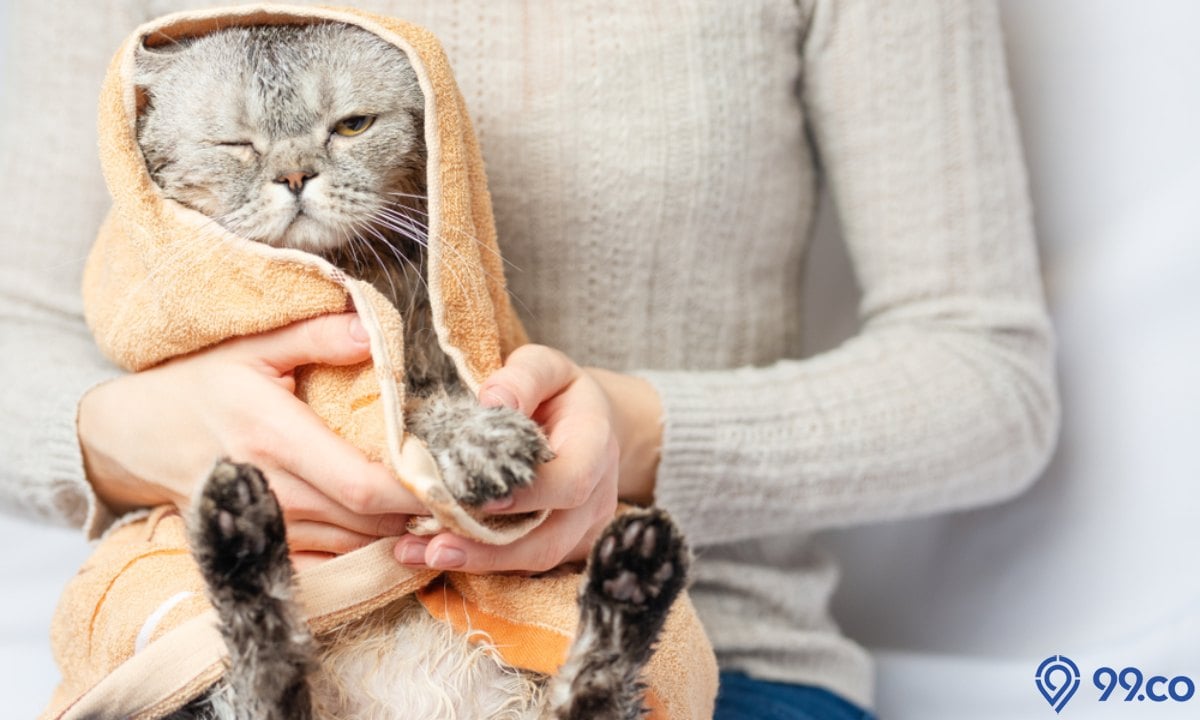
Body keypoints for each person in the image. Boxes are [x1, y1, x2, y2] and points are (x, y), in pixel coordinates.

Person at [0, 1, 1059, 718]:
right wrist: (133, 436)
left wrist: (631, 441)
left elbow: (988, 376)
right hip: (230, 604)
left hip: (722, 649)